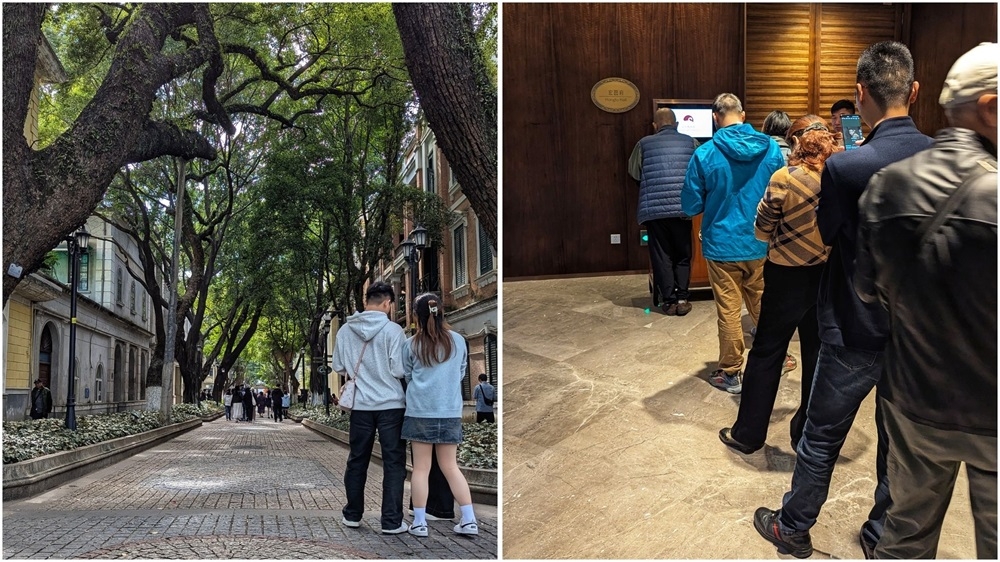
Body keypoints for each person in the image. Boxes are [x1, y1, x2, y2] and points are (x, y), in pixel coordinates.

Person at [752, 41, 934, 559]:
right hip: (917, 334)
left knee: (821, 435)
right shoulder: (946, 159)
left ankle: (794, 527)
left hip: (855, 323)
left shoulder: (848, 167)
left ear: (859, 94)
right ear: (914, 90)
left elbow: (830, 232)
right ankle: (882, 534)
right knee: (897, 445)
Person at [854, 42, 997, 559]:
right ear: (989, 107)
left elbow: (867, 291)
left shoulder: (886, 185)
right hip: (993, 412)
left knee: (905, 536)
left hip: (912, 398)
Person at [719, 115, 837, 455]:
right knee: (816, 354)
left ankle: (748, 434)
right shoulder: (837, 175)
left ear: (797, 142)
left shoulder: (784, 177)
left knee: (767, 353)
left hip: (785, 275)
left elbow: (762, 229)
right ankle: (804, 434)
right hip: (824, 276)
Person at [681, 92, 785, 393]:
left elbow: (689, 206)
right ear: (742, 114)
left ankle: (730, 372)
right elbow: (781, 192)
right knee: (763, 301)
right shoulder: (770, 149)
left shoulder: (705, 153)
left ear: (716, 117)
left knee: (728, 309)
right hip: (762, 241)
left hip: (722, 245)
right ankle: (776, 358)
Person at [332, 282, 409, 535]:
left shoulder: (345, 330)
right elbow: (399, 369)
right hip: (391, 406)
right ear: (387, 303)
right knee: (393, 463)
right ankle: (391, 522)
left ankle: (353, 515)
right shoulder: (393, 330)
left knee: (357, 460)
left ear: (367, 301)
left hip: (361, 406)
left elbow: (339, 367)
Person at [402, 293, 478, 538]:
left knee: (421, 469)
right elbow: (462, 371)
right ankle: (469, 519)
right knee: (450, 467)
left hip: (420, 412)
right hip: (449, 412)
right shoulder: (458, 340)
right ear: (441, 311)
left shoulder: (411, 344)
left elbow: (407, 375)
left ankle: (420, 523)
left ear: (417, 316)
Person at [627, 108, 698, 315]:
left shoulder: (643, 144)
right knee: (683, 255)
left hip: (655, 210)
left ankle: (669, 301)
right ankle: (683, 298)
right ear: (677, 124)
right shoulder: (691, 142)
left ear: (655, 126)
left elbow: (634, 172)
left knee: (662, 256)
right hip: (682, 208)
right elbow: (699, 172)